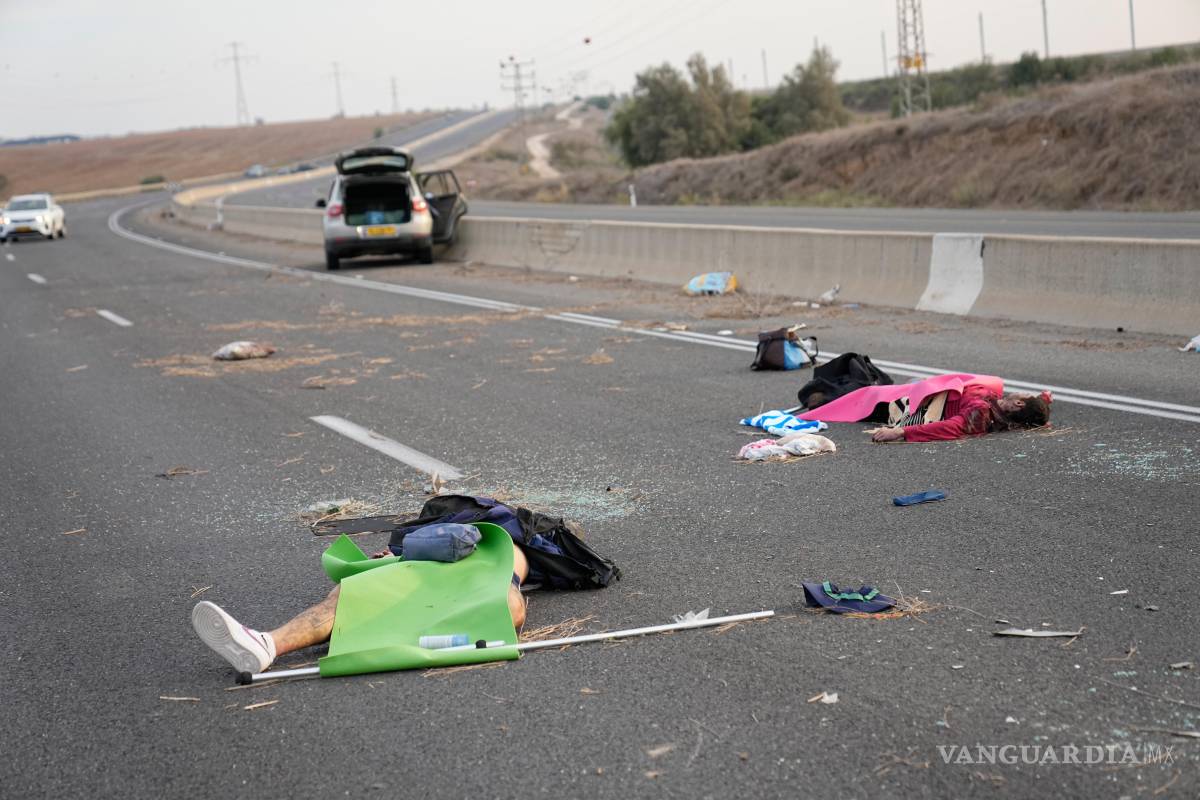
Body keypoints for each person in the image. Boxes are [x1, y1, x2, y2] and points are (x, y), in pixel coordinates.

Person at [191, 541, 529, 674]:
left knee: (508, 605)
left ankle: (269, 643)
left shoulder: (510, 537)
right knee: (347, 599)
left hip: (475, 576)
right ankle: (265, 644)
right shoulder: (441, 528)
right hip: (419, 574)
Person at [869, 386, 1051, 443]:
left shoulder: (981, 412)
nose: (1022, 391)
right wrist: (1043, 399)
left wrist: (901, 432)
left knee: (863, 393)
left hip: (912, 406)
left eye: (1026, 395)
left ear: (1019, 403)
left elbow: (950, 427)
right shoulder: (997, 407)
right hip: (924, 392)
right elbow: (1035, 414)